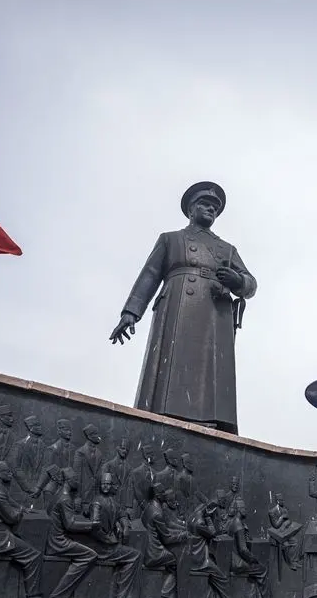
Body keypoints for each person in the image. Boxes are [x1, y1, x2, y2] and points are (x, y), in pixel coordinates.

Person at [110, 181, 257, 434]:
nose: (211, 210)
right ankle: (163, 414)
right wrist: (130, 313)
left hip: (214, 313)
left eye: (215, 208)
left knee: (211, 372)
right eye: (205, 205)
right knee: (172, 368)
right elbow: (149, 276)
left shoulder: (227, 249)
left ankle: (213, 422)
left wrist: (238, 281)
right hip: (179, 305)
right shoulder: (171, 239)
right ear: (191, 210)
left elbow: (251, 284)